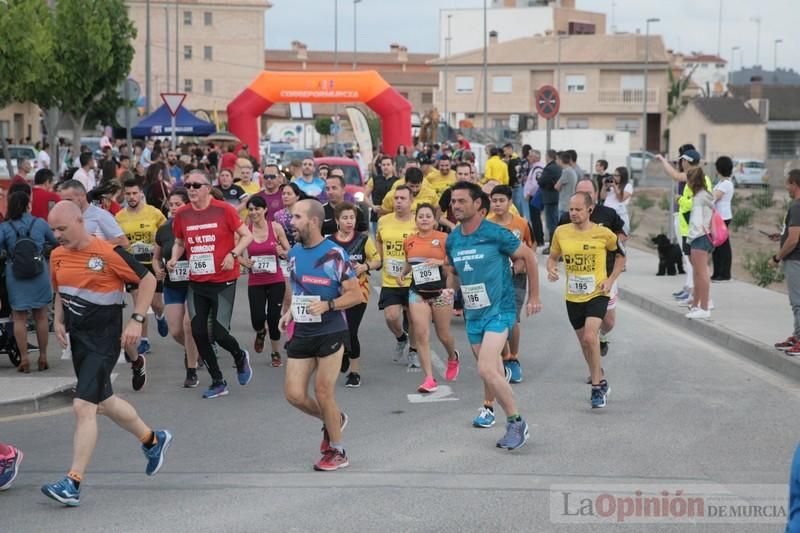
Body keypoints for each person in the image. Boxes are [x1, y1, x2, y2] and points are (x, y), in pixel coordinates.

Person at [41, 201, 173, 507]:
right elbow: (60, 289)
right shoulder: (57, 255)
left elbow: (148, 279)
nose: (57, 235)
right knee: (106, 401)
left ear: (80, 221)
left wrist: (137, 319)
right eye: (52, 229)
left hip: (104, 340)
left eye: (62, 228)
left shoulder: (108, 253)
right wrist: (59, 319)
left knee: (83, 407)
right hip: (80, 341)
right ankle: (153, 440)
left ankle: (72, 482)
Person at [445, 181, 540, 448]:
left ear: (478, 205)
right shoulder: (453, 239)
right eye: (453, 202)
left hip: (500, 310)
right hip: (474, 315)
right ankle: (511, 420)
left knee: (486, 367)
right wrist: (449, 293)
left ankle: (517, 423)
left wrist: (534, 296)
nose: (455, 206)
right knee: (492, 372)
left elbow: (529, 257)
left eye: (461, 201)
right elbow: (453, 271)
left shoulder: (496, 233)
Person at [279, 199, 362, 471]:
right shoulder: (293, 254)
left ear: (313, 221)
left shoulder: (336, 254)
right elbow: (296, 289)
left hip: (331, 329)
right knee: (293, 394)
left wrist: (329, 305)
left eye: (296, 217)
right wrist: (289, 312)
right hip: (303, 329)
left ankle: (338, 451)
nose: (291, 222)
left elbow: (355, 295)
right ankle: (334, 419)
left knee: (323, 390)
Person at [167, 169, 254, 399]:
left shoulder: (224, 209)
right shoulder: (182, 214)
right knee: (197, 332)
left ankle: (239, 355)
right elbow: (179, 242)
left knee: (219, 332)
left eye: (196, 185)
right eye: (188, 185)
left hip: (223, 281)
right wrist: (175, 257)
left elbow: (247, 236)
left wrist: (233, 255)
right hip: (197, 281)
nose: (191, 190)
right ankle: (218, 381)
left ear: (207, 187)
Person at [547, 192, 625, 409]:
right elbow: (552, 257)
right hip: (573, 296)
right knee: (585, 343)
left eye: (578, 209)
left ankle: (596, 388)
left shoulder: (604, 234)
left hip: (597, 293)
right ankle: (598, 373)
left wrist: (610, 280)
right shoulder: (561, 232)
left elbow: (621, 256)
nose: (573, 213)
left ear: (589, 210)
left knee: (591, 337)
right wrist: (552, 269)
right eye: (571, 209)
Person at [558, 179, 626, 360]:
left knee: (609, 322)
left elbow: (622, 236)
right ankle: (596, 369)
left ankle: (601, 336)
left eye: (589, 193)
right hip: (579, 279)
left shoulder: (608, 214)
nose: (585, 196)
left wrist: (615, 246)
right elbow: (559, 242)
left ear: (595, 195)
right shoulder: (567, 218)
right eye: (581, 192)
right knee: (588, 334)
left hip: (606, 274)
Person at [397, 203, 459, 393]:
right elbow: (410, 261)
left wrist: (440, 261)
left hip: (440, 292)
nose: (424, 219)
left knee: (443, 334)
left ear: (434, 220)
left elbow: (455, 260)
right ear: (416, 220)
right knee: (422, 334)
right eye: (421, 216)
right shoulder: (409, 241)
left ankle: (452, 357)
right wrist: (402, 273)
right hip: (417, 293)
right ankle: (429, 379)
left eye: (428, 216)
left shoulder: (443, 238)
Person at [0, 191, 58, 372]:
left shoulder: (5, 227)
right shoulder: (39, 223)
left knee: (19, 317)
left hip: (15, 275)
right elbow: (56, 242)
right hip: (38, 273)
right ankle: (42, 357)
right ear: (28, 205)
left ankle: (24, 359)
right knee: (40, 315)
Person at [116, 178, 168, 369]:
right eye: (128, 194)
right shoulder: (119, 217)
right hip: (133, 266)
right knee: (140, 303)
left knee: (155, 303)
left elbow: (165, 233)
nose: (131, 197)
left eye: (134, 193)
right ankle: (144, 339)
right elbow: (116, 240)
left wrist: (157, 240)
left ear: (141, 194)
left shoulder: (154, 213)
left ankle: (161, 316)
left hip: (153, 264)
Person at [327, 201, 381, 388]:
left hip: (360, 293)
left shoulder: (363, 240)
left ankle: (354, 372)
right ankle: (343, 353)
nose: (349, 221)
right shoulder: (330, 243)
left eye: (352, 218)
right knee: (339, 330)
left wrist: (365, 266)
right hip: (337, 293)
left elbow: (377, 260)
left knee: (351, 330)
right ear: (337, 220)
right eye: (345, 218)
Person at [152, 188, 202, 388]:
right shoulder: (164, 229)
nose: (173, 208)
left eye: (178, 204)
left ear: (187, 205)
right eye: (170, 205)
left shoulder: (196, 225)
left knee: (189, 325)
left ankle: (191, 371)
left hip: (194, 283)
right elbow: (155, 258)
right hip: (172, 284)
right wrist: (158, 270)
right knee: (175, 330)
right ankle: (196, 350)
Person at [488, 185, 534, 383]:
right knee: (497, 318)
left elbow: (531, 250)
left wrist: (519, 265)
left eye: (501, 200)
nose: (497, 204)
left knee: (512, 319)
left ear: (509, 202)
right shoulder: (485, 224)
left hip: (516, 278)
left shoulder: (521, 224)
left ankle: (513, 358)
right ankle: (504, 357)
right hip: (493, 279)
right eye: (494, 200)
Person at [240, 195, 290, 367]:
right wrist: (244, 262)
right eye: (251, 209)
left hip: (275, 279)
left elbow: (288, 251)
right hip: (256, 281)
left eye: (257, 209)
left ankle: (275, 353)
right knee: (257, 318)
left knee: (274, 318)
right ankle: (260, 332)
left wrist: (281, 250)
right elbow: (236, 253)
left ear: (265, 210)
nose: (254, 212)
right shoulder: (246, 230)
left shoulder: (275, 227)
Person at [376, 185, 419, 367]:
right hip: (391, 278)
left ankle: (414, 351)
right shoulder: (384, 221)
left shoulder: (418, 222)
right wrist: (379, 258)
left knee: (414, 318)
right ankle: (401, 337)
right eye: (396, 198)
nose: (399, 201)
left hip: (413, 278)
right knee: (391, 316)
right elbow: (379, 239)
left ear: (411, 201)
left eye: (403, 198)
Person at [770, 170, 800, 354]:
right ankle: (797, 336)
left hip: (795, 259)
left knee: (797, 301)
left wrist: (777, 257)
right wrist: (781, 235)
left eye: (788, 184)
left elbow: (794, 239)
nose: (786, 187)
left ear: (795, 185)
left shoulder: (796, 207)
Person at [58, 180, 128, 247]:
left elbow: (123, 242)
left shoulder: (100, 215)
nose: (65, 204)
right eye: (62, 201)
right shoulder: (66, 218)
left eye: (69, 200)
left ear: (82, 196)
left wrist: (93, 246)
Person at [684, 168, 714, 319]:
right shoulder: (707, 195)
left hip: (699, 237)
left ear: (691, 181)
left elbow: (696, 222)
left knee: (701, 274)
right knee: (698, 273)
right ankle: (696, 306)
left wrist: (690, 238)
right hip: (706, 236)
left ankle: (704, 307)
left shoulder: (698, 198)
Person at [322, 172, 368, 237]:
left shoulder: (356, 211)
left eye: (334, 188)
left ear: (343, 190)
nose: (330, 192)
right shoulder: (320, 212)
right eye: (327, 189)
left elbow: (364, 237)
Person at [711, 156, 734, 282]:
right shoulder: (721, 183)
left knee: (723, 246)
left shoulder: (726, 184)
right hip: (718, 217)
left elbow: (714, 197)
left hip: (723, 218)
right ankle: (717, 272)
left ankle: (725, 274)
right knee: (717, 245)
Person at [537, 149, 562, 253]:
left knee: (551, 223)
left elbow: (542, 181)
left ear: (549, 156)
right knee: (553, 221)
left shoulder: (550, 168)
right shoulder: (557, 167)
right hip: (555, 197)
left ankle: (552, 246)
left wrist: (539, 178)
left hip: (550, 198)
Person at [600, 167, 633, 235]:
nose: (614, 177)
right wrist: (604, 186)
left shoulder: (628, 186)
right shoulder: (611, 185)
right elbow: (602, 197)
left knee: (619, 240)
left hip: (619, 216)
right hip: (607, 215)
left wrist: (614, 186)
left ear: (623, 176)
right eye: (613, 175)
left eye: (616, 175)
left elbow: (621, 199)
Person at [523, 149, 545, 247]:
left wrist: (529, 193)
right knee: (534, 218)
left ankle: (539, 239)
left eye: (531, 156)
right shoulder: (534, 167)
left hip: (534, 197)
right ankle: (538, 238)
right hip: (533, 196)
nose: (528, 158)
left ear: (536, 158)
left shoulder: (538, 168)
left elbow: (536, 184)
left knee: (535, 218)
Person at [274, 182, 307, 248]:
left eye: (289, 194)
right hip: (283, 251)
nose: (285, 196)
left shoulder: (304, 213)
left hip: (302, 248)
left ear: (297, 196)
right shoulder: (277, 215)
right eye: (283, 194)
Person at [555, 151, 577, 219]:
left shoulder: (566, 171)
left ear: (560, 160)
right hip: (569, 203)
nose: (556, 161)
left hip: (564, 205)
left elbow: (556, 186)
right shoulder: (572, 170)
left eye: (557, 159)